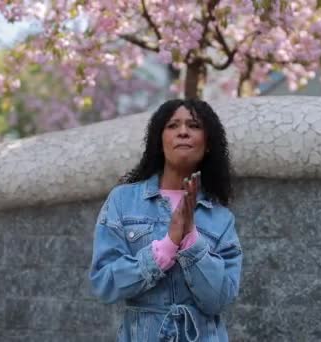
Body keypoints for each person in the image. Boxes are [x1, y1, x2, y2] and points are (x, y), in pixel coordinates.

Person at [90, 98, 243, 341]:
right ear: (159, 142)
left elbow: (219, 300)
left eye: (193, 125)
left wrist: (191, 238)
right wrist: (167, 246)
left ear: (208, 143)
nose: (183, 132)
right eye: (172, 126)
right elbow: (104, 283)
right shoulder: (123, 201)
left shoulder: (221, 218)